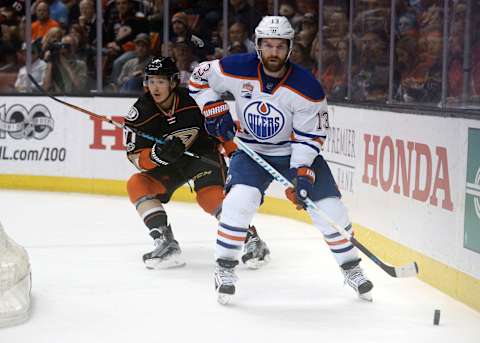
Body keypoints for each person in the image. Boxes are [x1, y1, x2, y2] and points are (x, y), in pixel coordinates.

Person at [189, 16, 374, 304]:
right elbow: (198, 78)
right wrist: (213, 108)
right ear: (258, 45)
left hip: (292, 152)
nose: (273, 52)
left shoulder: (306, 87)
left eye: (280, 46)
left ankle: (352, 269)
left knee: (331, 210)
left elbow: (310, 136)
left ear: (290, 48)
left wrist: (301, 173)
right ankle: (224, 269)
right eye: (268, 45)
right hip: (251, 151)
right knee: (239, 203)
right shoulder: (236, 67)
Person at [124, 57, 270, 269]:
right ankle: (165, 241)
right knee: (136, 184)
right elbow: (135, 157)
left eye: (161, 82)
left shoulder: (196, 99)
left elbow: (222, 129)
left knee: (209, 198)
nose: (155, 87)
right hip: (168, 165)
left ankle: (252, 239)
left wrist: (238, 160)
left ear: (173, 83)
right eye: (151, 81)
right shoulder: (140, 113)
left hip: (203, 156)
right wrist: (156, 155)